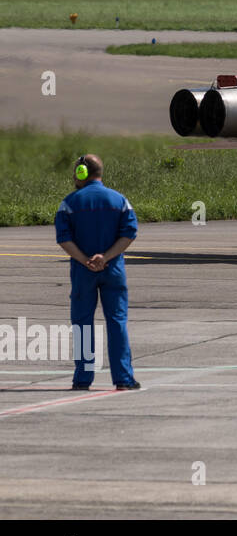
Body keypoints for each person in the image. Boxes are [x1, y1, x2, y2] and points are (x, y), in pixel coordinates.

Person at [54, 154, 140, 391]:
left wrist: (85, 260)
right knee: (117, 322)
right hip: (113, 270)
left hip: (83, 273)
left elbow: (63, 239)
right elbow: (129, 234)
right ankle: (123, 378)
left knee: (82, 323)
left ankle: (83, 379)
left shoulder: (69, 203)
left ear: (81, 172)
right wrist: (106, 257)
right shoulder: (120, 200)